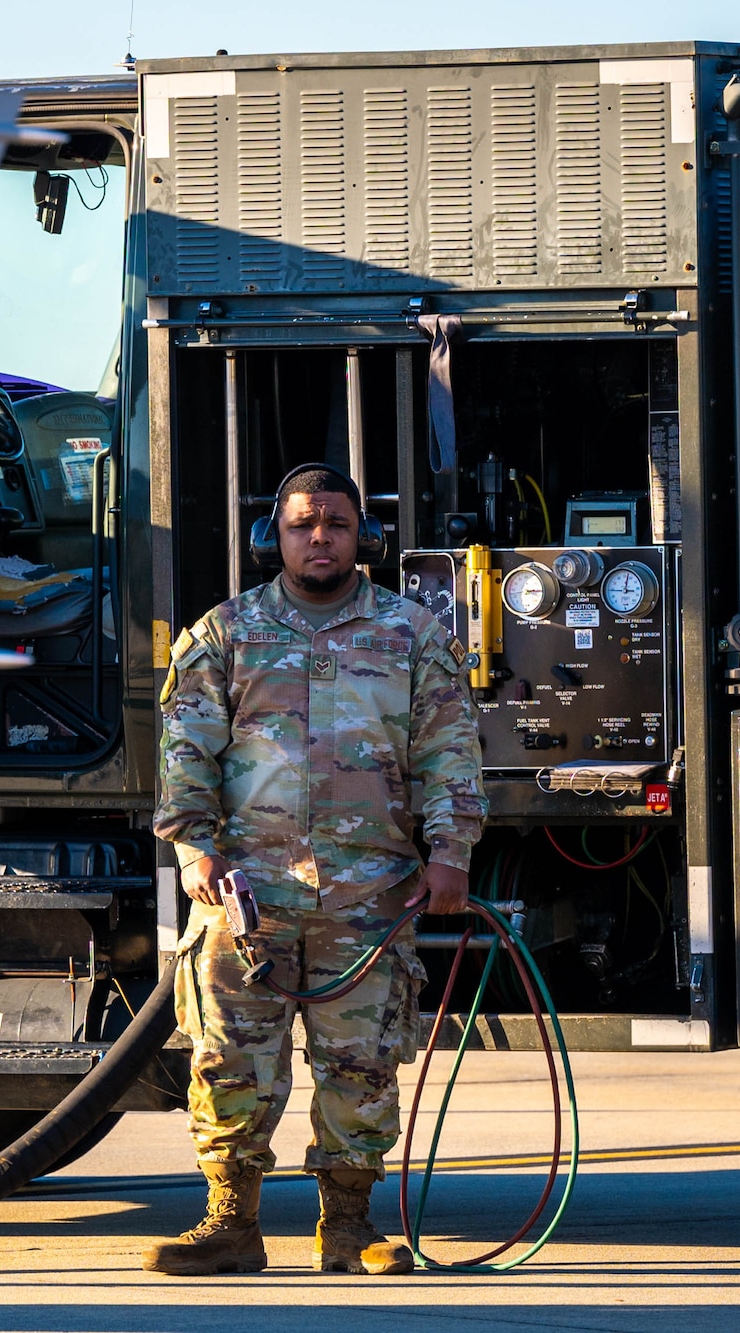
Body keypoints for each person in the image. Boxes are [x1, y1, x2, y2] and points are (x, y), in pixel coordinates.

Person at [143, 464, 485, 1277]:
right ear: (276, 536)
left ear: (361, 533)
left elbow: (449, 749)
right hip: (244, 894)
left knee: (360, 1064)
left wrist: (451, 851)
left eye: (335, 522)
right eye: (303, 523)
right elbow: (186, 747)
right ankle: (231, 1223)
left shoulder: (412, 634)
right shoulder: (227, 633)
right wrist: (194, 847)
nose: (320, 537)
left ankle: (349, 1228)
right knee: (230, 1057)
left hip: (372, 895)